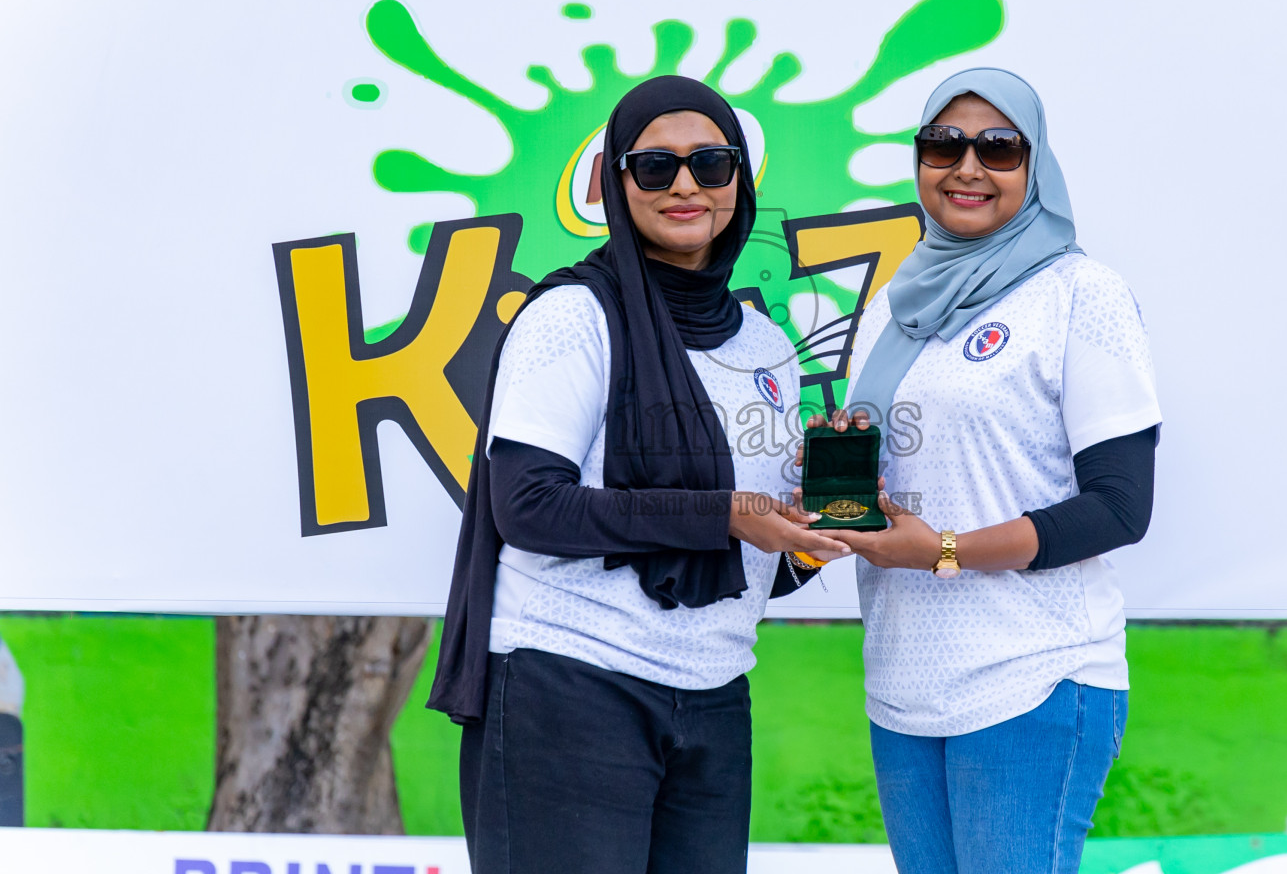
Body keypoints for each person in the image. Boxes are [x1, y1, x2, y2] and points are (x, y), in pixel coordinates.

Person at [428, 75, 850, 874]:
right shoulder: (572, 318)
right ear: (614, 186)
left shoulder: (765, 346)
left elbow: (741, 557)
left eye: (711, 164)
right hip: (572, 687)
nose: (686, 185)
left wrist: (807, 538)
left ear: (740, 183)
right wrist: (725, 512)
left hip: (714, 693)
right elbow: (528, 509)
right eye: (655, 166)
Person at [808, 68, 1161, 874]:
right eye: (944, 144)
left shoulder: (1080, 294)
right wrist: (836, 482)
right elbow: (911, 476)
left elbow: (1119, 507)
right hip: (905, 680)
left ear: (1035, 168)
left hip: (1033, 676)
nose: (968, 167)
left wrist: (945, 550)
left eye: (999, 148)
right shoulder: (898, 301)